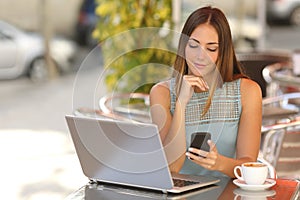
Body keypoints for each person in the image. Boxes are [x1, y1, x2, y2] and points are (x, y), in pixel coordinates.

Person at [149, 6, 262, 178]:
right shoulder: (161, 93)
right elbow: (171, 168)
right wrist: (181, 103)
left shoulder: (247, 92)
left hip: (229, 193)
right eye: (194, 45)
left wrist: (218, 163)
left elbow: (249, 166)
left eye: (211, 48)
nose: (200, 56)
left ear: (223, 52)